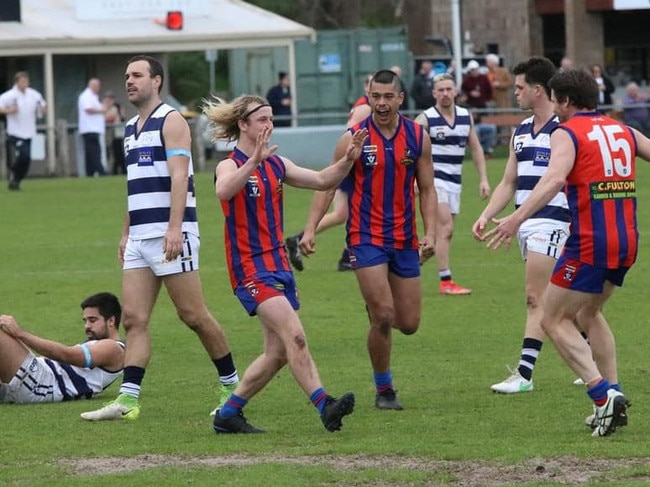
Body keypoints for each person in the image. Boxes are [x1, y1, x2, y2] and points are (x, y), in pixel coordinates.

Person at [481, 67, 650, 437]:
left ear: (567, 101)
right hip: (628, 239)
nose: (554, 109)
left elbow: (554, 179)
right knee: (589, 312)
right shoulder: (622, 129)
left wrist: (516, 219)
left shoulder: (567, 132)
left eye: (556, 101)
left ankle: (602, 395)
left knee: (552, 319)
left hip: (591, 240)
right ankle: (615, 391)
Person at [80, 55, 240, 422]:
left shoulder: (172, 121)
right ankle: (129, 400)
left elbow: (180, 178)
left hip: (171, 233)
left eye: (137, 75)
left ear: (157, 81)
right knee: (134, 318)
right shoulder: (130, 127)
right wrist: (126, 232)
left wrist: (174, 228)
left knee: (193, 315)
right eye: (126, 76)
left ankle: (232, 387)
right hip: (140, 237)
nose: (129, 81)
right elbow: (134, 185)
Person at [204, 94, 367, 433]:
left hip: (279, 265)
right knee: (296, 337)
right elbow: (223, 191)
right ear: (243, 125)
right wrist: (253, 162)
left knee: (277, 354)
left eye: (271, 118)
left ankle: (228, 414)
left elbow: (322, 180)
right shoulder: (230, 164)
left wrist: (348, 161)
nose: (268, 125)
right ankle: (325, 405)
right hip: (249, 269)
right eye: (261, 119)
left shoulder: (278, 164)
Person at [300, 70, 437, 410]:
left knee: (409, 324)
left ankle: (377, 307)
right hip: (365, 238)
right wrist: (310, 228)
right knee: (385, 315)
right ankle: (384, 389)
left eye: (388, 96)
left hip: (405, 239)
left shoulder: (418, 137)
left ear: (400, 99)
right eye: (376, 96)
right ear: (369, 97)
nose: (381, 103)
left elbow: (428, 189)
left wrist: (431, 232)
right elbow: (327, 182)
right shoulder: (354, 139)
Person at [472, 57, 571, 394]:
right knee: (566, 303)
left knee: (535, 298)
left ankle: (524, 375)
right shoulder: (520, 131)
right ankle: (593, 360)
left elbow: (559, 181)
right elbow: (508, 183)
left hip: (553, 221)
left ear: (538, 90)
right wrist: (486, 214)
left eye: (519, 87)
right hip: (525, 223)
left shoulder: (564, 130)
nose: (513, 93)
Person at [285, 73, 374, 273]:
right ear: (367, 87)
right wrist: (355, 156)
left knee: (342, 214)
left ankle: (301, 239)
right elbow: (351, 133)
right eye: (370, 84)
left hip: (349, 163)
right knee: (360, 211)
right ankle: (347, 255)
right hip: (353, 164)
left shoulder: (365, 105)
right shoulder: (365, 108)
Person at [415, 73, 491, 295]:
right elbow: (411, 149)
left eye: (449, 89)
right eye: (441, 90)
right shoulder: (426, 118)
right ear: (434, 93)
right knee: (445, 228)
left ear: (455, 91)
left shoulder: (466, 117)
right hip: (434, 181)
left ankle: (407, 270)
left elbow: (476, 148)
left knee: (441, 235)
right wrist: (413, 181)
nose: (445, 93)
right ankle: (445, 281)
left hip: (455, 182)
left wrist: (484, 179)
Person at [0, 292, 124, 404]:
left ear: (111, 321)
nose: (87, 326)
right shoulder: (99, 344)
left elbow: (66, 355)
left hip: (43, 384)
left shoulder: (113, 348)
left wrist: (20, 333)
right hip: (38, 377)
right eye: (85, 321)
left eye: (92, 320)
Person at [0, 71, 46, 190]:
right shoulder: (9, 95)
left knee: (27, 159)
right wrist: (9, 111)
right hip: (15, 132)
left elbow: (42, 104)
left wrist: (43, 109)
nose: (25, 84)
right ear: (17, 83)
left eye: (27, 81)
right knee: (24, 155)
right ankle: (14, 172)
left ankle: (16, 181)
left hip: (30, 131)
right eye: (22, 82)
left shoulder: (33, 94)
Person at [460, 60, 497, 155]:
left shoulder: (484, 78)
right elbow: (462, 94)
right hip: (471, 107)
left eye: (475, 69)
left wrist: (486, 99)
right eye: (472, 70)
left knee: (489, 128)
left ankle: (485, 150)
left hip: (482, 107)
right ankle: (477, 150)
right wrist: (470, 94)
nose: (474, 71)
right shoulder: (467, 81)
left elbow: (489, 90)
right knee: (475, 130)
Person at [78, 78, 109, 177]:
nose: (98, 88)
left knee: (91, 153)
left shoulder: (93, 97)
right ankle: (101, 171)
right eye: (97, 86)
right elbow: (88, 109)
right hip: (89, 129)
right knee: (95, 152)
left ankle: (90, 173)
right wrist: (102, 110)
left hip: (94, 129)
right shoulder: (86, 96)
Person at [104, 91, 127, 175]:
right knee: (110, 152)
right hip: (108, 134)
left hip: (117, 133)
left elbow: (122, 118)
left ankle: (119, 170)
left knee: (118, 151)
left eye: (110, 99)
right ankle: (114, 170)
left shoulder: (117, 107)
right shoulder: (103, 108)